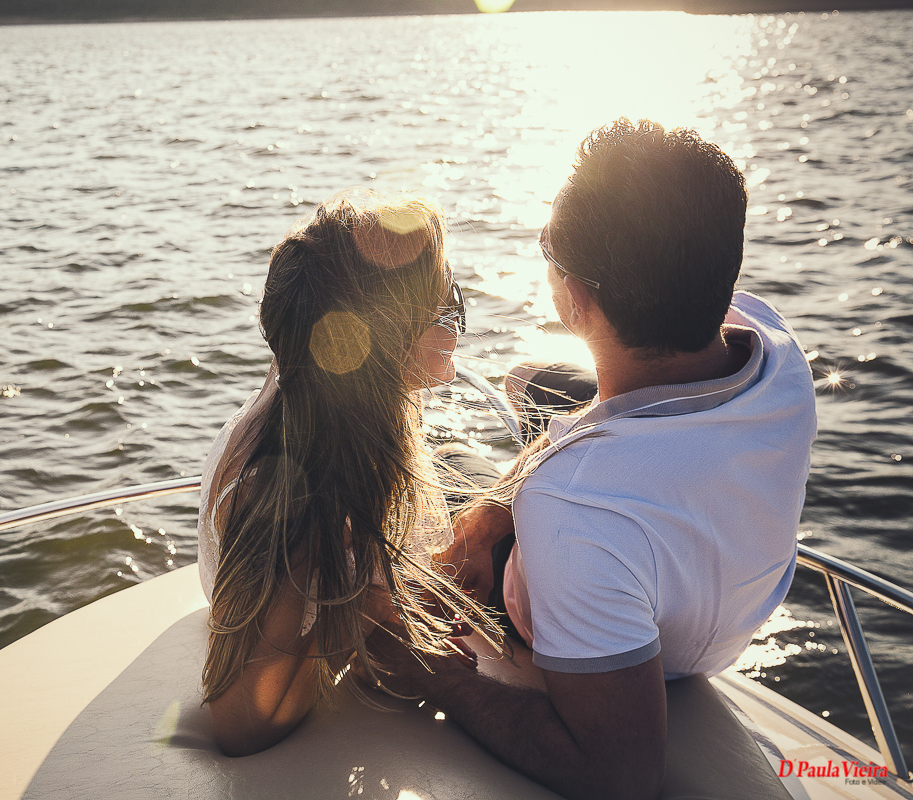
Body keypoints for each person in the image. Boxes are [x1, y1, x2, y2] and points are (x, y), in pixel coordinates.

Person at [371, 119, 817, 800]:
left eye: (548, 246)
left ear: (575, 299)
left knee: (448, 467)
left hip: (630, 630)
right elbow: (602, 444)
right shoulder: (776, 350)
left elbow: (619, 773)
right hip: (719, 599)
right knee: (527, 384)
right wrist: (494, 515)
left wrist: (433, 668)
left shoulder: (575, 510)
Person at [197, 189, 496, 757]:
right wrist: (363, 625)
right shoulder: (299, 487)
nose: (459, 324)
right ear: (386, 340)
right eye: (446, 307)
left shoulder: (326, 400)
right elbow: (240, 721)